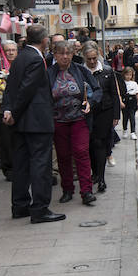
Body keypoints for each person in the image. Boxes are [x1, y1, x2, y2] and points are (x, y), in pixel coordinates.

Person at [2, 24, 64, 224]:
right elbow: (26, 90)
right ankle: (40, 209)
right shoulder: (36, 59)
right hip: (36, 121)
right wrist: (14, 111)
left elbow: (10, 87)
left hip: (21, 123)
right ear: (45, 40)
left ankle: (20, 205)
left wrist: (9, 110)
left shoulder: (20, 57)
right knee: (40, 165)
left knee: (21, 165)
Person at [48, 40, 101, 206]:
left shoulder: (80, 70)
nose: (65, 57)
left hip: (79, 118)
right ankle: (67, 189)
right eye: (61, 53)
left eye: (68, 53)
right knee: (63, 156)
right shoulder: (49, 73)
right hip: (58, 121)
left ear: (73, 54)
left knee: (81, 151)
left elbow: (97, 90)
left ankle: (86, 191)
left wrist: (91, 102)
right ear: (55, 55)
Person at [83, 43, 119, 193]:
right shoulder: (81, 71)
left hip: (105, 110)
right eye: (89, 59)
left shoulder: (107, 71)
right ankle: (96, 173)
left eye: (94, 58)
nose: (92, 61)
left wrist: (116, 115)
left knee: (100, 143)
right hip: (87, 113)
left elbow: (114, 93)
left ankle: (102, 178)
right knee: (90, 144)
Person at [0, 40, 19, 179]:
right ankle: (8, 168)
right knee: (3, 140)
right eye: (7, 50)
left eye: (12, 50)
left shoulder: (20, 65)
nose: (10, 52)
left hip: (16, 108)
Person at [120, 67, 138, 136]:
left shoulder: (134, 83)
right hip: (125, 100)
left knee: (132, 116)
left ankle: (133, 131)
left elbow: (137, 93)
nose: (128, 76)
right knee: (125, 116)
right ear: (124, 75)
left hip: (132, 100)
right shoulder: (122, 83)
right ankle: (125, 130)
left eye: (130, 75)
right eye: (127, 75)